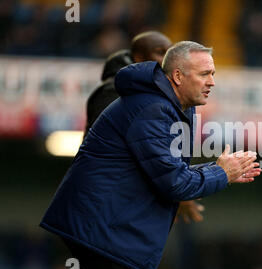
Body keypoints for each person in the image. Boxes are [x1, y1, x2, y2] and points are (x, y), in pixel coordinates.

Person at [39, 41, 262, 269]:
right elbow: (174, 183)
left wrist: (220, 170)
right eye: (204, 74)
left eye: (213, 74)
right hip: (97, 225)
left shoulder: (172, 106)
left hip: (103, 224)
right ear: (177, 76)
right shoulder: (152, 109)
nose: (212, 82)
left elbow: (170, 173)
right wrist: (220, 173)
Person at [85, 31, 204, 225]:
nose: (167, 59)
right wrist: (174, 189)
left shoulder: (154, 96)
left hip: (123, 204)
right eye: (160, 52)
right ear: (138, 58)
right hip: (101, 203)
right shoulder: (113, 92)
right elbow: (130, 151)